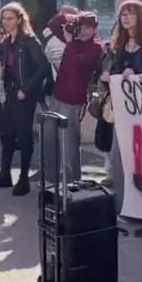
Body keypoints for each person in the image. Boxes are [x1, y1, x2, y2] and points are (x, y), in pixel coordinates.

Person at [0, 2, 49, 197]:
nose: (6, 22)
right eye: (4, 18)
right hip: (7, 93)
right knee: (6, 132)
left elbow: (43, 67)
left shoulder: (29, 41)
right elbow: (1, 67)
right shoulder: (5, 42)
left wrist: (26, 89)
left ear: (20, 19)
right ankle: (5, 174)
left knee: (24, 134)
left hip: (23, 95)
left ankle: (23, 178)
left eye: (10, 18)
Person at [100, 1, 142, 199]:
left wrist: (135, 72)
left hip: (141, 112)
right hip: (122, 109)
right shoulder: (120, 43)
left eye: (130, 13)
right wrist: (109, 75)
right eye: (122, 14)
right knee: (118, 157)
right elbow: (118, 71)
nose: (125, 17)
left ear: (140, 17)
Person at [44, 10, 102, 183]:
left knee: (69, 142)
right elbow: (52, 23)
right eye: (80, 27)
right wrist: (68, 19)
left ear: (94, 29)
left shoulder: (96, 47)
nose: (83, 31)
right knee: (49, 138)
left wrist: (70, 42)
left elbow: (80, 64)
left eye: (88, 28)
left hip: (74, 99)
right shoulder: (71, 41)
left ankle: (72, 181)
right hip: (56, 94)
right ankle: (51, 178)